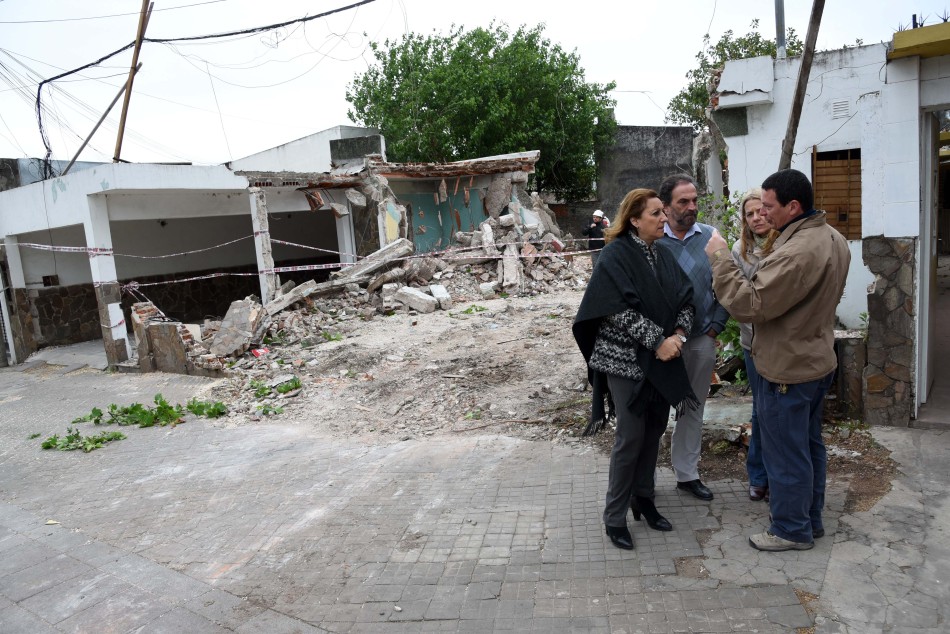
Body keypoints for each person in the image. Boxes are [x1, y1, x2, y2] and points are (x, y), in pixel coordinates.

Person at [705, 169, 850, 551]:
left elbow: (750, 304)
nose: (762, 214)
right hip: (816, 360)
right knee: (808, 445)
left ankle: (790, 529)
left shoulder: (797, 251)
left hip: (788, 367)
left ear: (793, 206)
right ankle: (809, 520)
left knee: (786, 452)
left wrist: (720, 258)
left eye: (769, 207)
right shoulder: (833, 238)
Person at [573, 188, 698, 551]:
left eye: (663, 212)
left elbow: (685, 298)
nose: (664, 218)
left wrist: (678, 334)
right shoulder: (615, 255)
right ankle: (614, 517)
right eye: (656, 213)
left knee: (656, 429)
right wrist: (658, 341)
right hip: (625, 361)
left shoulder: (663, 255)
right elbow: (615, 309)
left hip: (664, 357)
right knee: (630, 435)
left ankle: (643, 499)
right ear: (634, 219)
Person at [658, 175, 730, 501]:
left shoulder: (712, 238)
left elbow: (729, 284)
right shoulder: (653, 240)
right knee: (654, 409)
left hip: (701, 339)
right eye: (683, 202)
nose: (691, 207)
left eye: (695, 200)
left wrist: (715, 327)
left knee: (693, 408)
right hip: (660, 345)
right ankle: (643, 480)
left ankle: (687, 475)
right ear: (665, 206)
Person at [731, 188, 779, 502]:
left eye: (761, 211)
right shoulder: (739, 250)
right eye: (750, 214)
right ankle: (759, 475)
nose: (757, 218)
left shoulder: (786, 244)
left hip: (781, 343)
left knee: (778, 411)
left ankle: (776, 475)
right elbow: (738, 295)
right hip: (752, 344)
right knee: (761, 410)